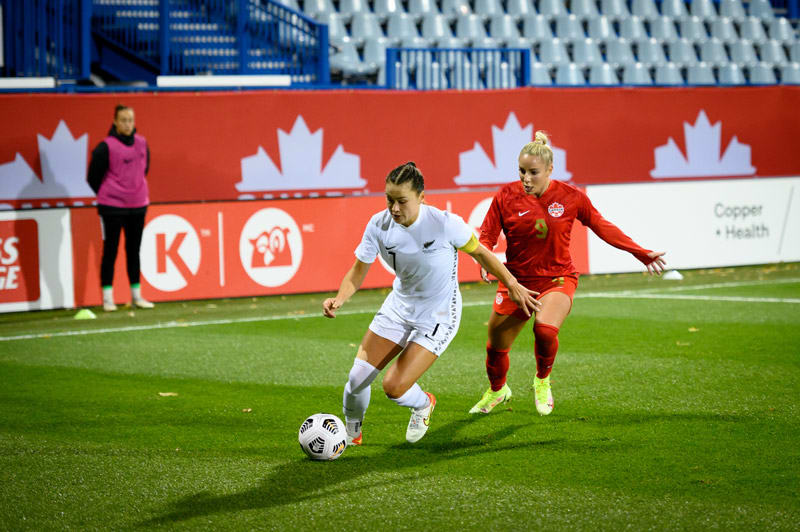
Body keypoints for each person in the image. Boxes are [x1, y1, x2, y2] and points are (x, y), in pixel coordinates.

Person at [323, 162, 540, 445]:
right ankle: (349, 435)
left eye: (402, 201)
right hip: (398, 307)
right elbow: (358, 269)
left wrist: (512, 284)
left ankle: (423, 404)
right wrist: (339, 298)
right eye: (390, 200)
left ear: (421, 198)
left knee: (393, 387)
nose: (395, 208)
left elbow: (482, 253)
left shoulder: (444, 223)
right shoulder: (378, 225)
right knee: (356, 380)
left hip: (438, 316)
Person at [469, 132, 666, 416]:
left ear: (550, 170)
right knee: (495, 348)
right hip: (516, 282)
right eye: (522, 171)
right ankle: (498, 391)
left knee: (545, 330)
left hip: (557, 279)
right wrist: (484, 262)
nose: (526, 178)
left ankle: (542, 380)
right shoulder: (505, 196)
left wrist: (637, 251)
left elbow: (601, 225)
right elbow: (486, 236)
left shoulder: (571, 196)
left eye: (533, 172)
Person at [87, 104, 154, 312]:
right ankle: (108, 298)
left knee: (134, 250)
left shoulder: (142, 143)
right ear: (115, 122)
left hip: (138, 205)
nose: (127, 124)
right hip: (112, 208)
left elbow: (145, 169)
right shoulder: (105, 147)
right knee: (111, 250)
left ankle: (136, 295)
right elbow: (93, 177)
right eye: (123, 120)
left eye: (130, 120)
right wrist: (111, 193)